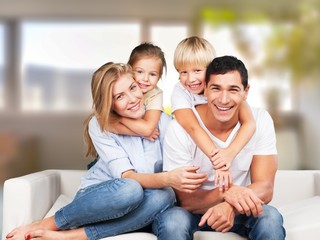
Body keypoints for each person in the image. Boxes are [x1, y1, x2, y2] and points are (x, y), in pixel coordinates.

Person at [5, 62, 207, 240]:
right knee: (131, 189)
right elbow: (129, 177)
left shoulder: (164, 122)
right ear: (109, 104)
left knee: (173, 212)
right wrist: (168, 179)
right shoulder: (101, 125)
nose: (133, 98)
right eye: (120, 96)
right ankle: (48, 225)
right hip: (106, 200)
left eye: (133, 88)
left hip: (150, 204)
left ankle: (74, 237)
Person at [153, 55, 286, 240]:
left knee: (270, 218)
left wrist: (230, 205)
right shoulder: (179, 128)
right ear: (204, 89)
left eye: (233, 90)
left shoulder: (260, 120)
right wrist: (229, 192)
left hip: (239, 208)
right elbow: (187, 201)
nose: (224, 99)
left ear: (245, 92)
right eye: (216, 88)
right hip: (191, 213)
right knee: (173, 221)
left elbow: (265, 187)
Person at [171, 36, 256, 191]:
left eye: (197, 70)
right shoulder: (180, 92)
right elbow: (193, 127)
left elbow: (249, 123)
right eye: (183, 72)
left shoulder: (225, 89)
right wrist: (220, 164)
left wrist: (229, 153)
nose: (191, 79)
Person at [109, 42, 166, 141]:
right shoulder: (118, 86)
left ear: (159, 77)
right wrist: (140, 134)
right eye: (140, 72)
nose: (145, 79)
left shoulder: (155, 94)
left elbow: (148, 129)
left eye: (152, 74)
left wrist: (119, 118)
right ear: (129, 69)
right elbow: (107, 124)